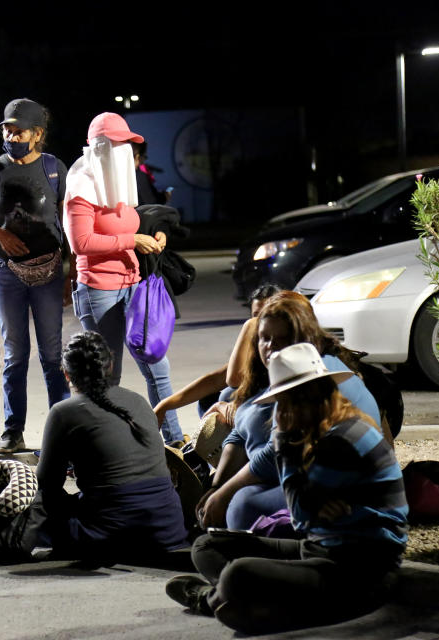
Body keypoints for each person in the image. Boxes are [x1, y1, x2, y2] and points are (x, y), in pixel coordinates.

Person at [165, 342, 408, 635]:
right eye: (283, 400)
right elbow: (310, 515)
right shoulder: (320, 430)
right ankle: (252, 599)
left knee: (238, 573)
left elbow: (301, 516)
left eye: (291, 399)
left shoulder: (339, 439)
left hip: (359, 569)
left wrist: (281, 442)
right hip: (321, 547)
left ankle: (211, 599)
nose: (284, 409)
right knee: (207, 546)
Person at [197, 291, 382, 531]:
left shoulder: (314, 376)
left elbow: (279, 451)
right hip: (292, 471)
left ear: (303, 338)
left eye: (282, 339)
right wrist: (216, 487)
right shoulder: (275, 370)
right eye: (264, 338)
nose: (271, 347)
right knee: (226, 398)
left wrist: (224, 493)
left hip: (334, 482)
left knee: (241, 506)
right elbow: (240, 432)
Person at [64, 112, 182, 444]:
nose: (126, 152)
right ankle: (107, 445)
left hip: (134, 285)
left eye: (128, 146)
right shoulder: (82, 184)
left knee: (157, 364)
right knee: (107, 374)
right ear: (101, 148)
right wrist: (131, 241)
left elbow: (133, 225)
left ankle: (174, 443)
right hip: (99, 290)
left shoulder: (117, 181)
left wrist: (155, 237)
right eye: (120, 145)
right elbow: (80, 243)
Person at [0, 98, 72, 454]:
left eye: (18, 130)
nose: (11, 136)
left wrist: (70, 273)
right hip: (5, 272)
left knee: (52, 355)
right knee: (15, 355)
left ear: (37, 133)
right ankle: (13, 430)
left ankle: (62, 431)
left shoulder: (54, 168)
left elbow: (68, 223)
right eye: (7, 130)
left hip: (48, 271)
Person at [36, 331, 187, 560]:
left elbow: (47, 485)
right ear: (110, 365)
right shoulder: (138, 400)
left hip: (112, 537)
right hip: (167, 530)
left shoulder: (63, 412)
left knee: (31, 507)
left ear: (66, 373)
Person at [152, 284, 281, 426]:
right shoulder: (258, 345)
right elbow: (215, 380)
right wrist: (164, 406)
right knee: (209, 397)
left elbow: (234, 379)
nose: (259, 323)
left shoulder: (285, 344)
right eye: (256, 316)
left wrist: (249, 326)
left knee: (227, 395)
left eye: (265, 316)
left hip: (276, 417)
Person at [131, 141, 171, 206]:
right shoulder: (140, 176)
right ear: (138, 157)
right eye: (145, 156)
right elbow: (152, 202)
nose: (144, 160)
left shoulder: (119, 172)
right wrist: (165, 196)